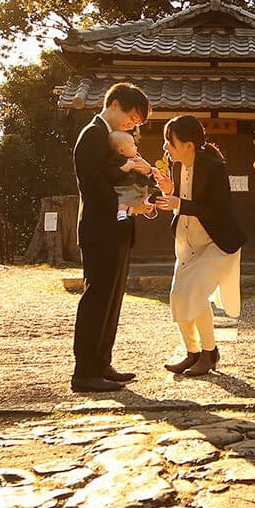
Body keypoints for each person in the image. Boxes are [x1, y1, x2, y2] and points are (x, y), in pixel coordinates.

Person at [71, 83, 153, 393]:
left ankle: (102, 363)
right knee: (96, 300)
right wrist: (129, 204)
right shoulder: (93, 135)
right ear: (115, 104)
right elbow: (93, 186)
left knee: (112, 300)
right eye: (131, 118)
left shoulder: (114, 138)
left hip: (117, 230)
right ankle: (84, 372)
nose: (132, 125)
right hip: (99, 230)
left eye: (136, 123)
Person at [154, 114, 244, 377]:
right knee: (178, 296)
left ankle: (209, 353)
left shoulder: (214, 168)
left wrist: (179, 204)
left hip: (217, 243)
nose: (165, 147)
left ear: (188, 145)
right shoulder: (177, 166)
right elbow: (182, 199)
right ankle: (192, 352)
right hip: (188, 242)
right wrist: (170, 191)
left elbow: (216, 210)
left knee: (194, 294)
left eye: (169, 141)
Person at [107, 127, 163, 213]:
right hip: (126, 188)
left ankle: (147, 201)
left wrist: (149, 171)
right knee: (127, 197)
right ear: (121, 150)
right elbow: (113, 174)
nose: (136, 147)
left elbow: (147, 175)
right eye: (132, 145)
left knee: (146, 193)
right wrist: (126, 167)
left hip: (140, 186)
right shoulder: (115, 160)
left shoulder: (136, 157)